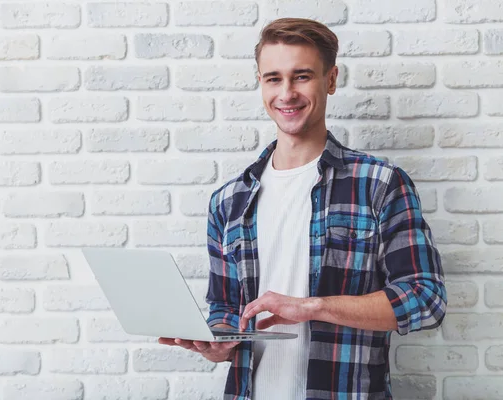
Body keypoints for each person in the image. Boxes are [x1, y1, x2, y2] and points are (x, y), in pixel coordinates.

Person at [159, 17, 447, 399]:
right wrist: (218, 343)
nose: (287, 93)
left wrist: (313, 307)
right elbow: (225, 307)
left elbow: (426, 298)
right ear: (260, 83)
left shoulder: (379, 183)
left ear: (330, 80)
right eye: (273, 78)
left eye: (302, 76)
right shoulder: (228, 202)